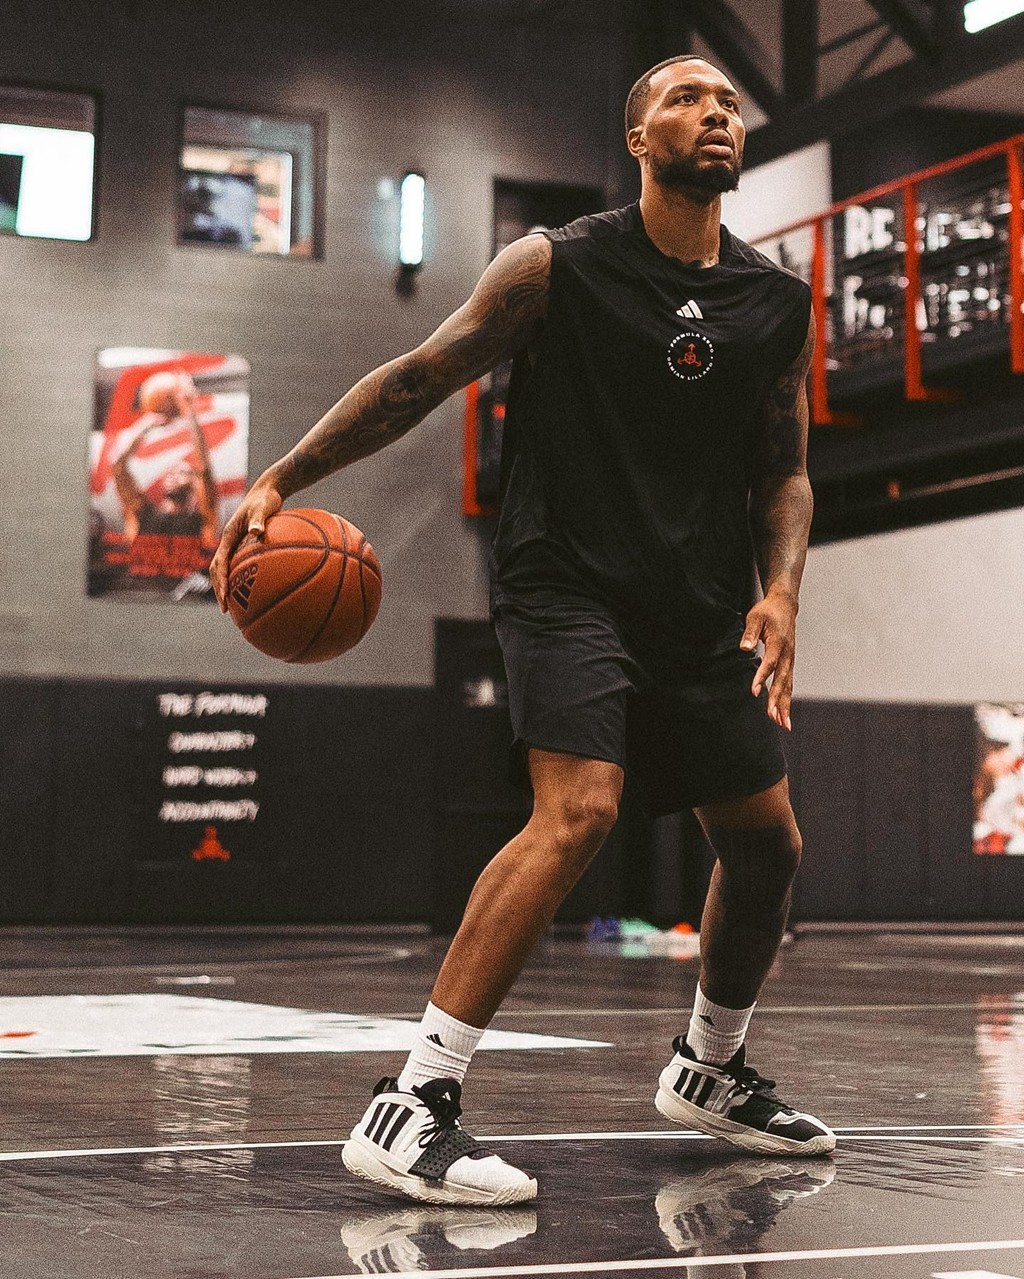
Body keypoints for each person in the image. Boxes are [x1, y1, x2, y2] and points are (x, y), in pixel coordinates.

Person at [211, 53, 835, 1208]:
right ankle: (413, 1101)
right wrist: (282, 477)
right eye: (685, 98)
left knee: (767, 846)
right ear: (637, 138)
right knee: (579, 810)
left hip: (701, 602)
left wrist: (783, 589)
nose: (715, 112)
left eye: (727, 101)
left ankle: (709, 1068)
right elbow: (419, 376)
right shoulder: (558, 264)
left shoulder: (775, 302)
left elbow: (784, 470)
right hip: (567, 581)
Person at [114, 372, 220, 589]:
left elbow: (203, 466)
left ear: (194, 486)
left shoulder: (202, 519)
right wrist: (149, 423)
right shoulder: (140, 513)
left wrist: (189, 411)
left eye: (183, 472)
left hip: (183, 596)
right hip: (139, 596)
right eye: (171, 472)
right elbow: (118, 466)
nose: (173, 474)